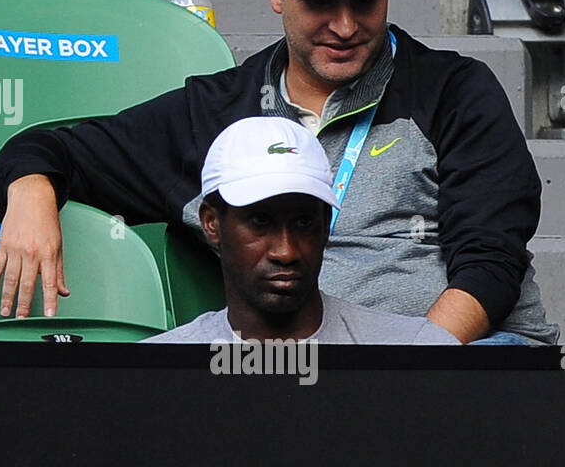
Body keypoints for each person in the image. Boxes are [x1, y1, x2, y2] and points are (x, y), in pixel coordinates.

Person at [0, 0, 557, 345]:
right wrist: (31, 193)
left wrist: (404, 376)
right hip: (297, 370)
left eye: (363, 0)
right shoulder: (218, 115)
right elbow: (54, 149)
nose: (345, 26)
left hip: (461, 354)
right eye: (320, 2)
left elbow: (492, 261)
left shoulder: (455, 91)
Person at [143, 117, 457, 344]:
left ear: (325, 225)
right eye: (260, 222)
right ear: (212, 223)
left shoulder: (415, 351)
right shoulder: (161, 372)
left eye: (304, 222)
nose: (286, 251)